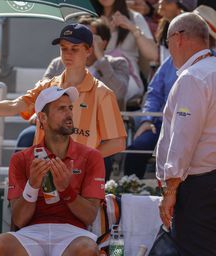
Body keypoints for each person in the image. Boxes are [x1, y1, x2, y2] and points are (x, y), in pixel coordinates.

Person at [0, 23, 127, 163]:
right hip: (43, 174)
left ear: (88, 51)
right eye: (64, 48)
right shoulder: (48, 85)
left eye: (74, 49)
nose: (68, 54)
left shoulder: (102, 93)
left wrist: (83, 160)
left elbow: (118, 142)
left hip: (80, 178)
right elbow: (16, 105)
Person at [0, 86, 105, 256]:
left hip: (73, 234)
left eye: (70, 108)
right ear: (43, 117)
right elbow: (19, 220)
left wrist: (66, 191)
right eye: (61, 109)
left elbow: (90, 216)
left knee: (87, 249)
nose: (69, 114)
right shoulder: (21, 159)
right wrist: (32, 186)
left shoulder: (92, 156)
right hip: (31, 233)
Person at [124, 3, 216, 179]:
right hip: (160, 124)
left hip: (199, 135)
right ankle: (131, 192)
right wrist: (147, 120)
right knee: (136, 149)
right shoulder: (171, 61)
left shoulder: (208, 66)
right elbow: (154, 92)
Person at [156, 12, 216, 255]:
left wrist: (170, 190)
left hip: (198, 187)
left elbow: (183, 140)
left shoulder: (193, 78)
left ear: (179, 38)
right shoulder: (207, 73)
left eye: (167, 41)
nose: (168, 50)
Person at [91, 0, 158, 102]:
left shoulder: (134, 17)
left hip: (127, 76)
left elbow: (153, 55)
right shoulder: (89, 18)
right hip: (97, 71)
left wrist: (132, 28)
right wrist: (106, 33)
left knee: (109, 90)